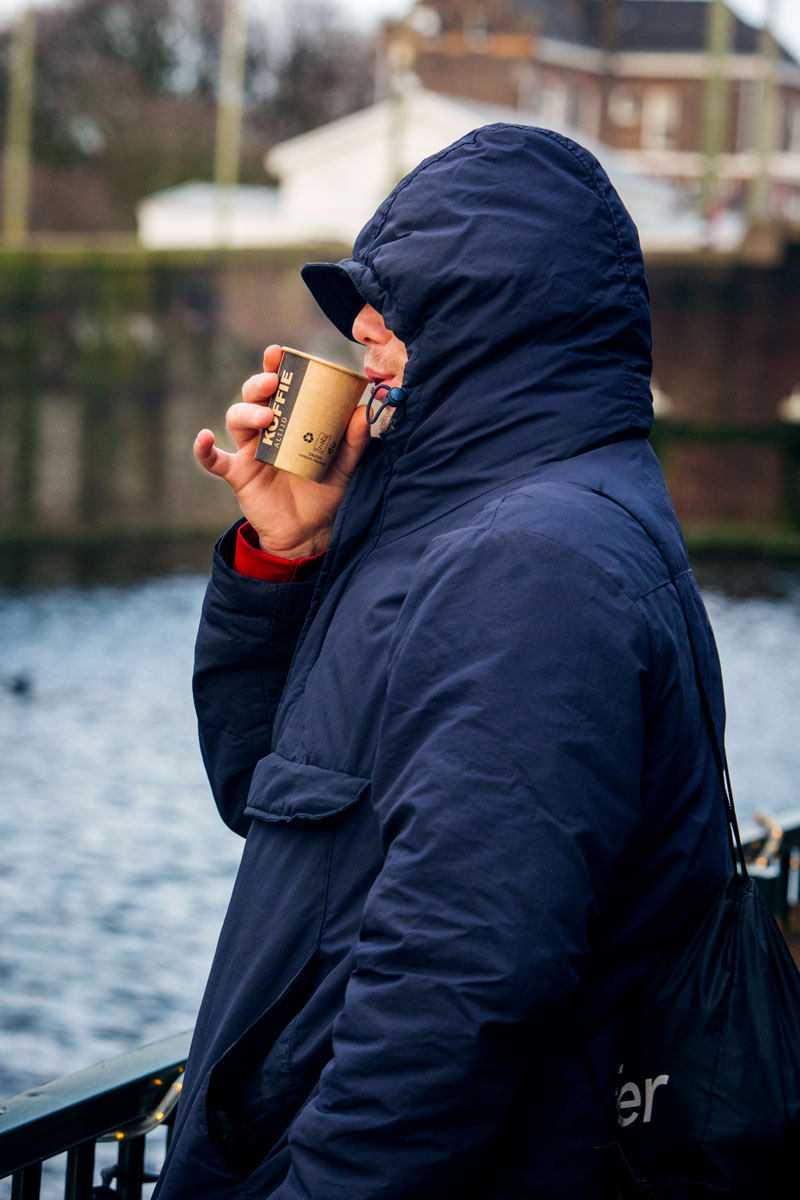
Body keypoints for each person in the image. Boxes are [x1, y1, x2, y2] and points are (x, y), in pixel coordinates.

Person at [152, 124, 730, 1199]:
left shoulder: (535, 565)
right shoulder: (480, 532)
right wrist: (288, 554)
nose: (362, 324)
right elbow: (272, 800)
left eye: (395, 298)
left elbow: (454, 996)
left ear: (497, 316)